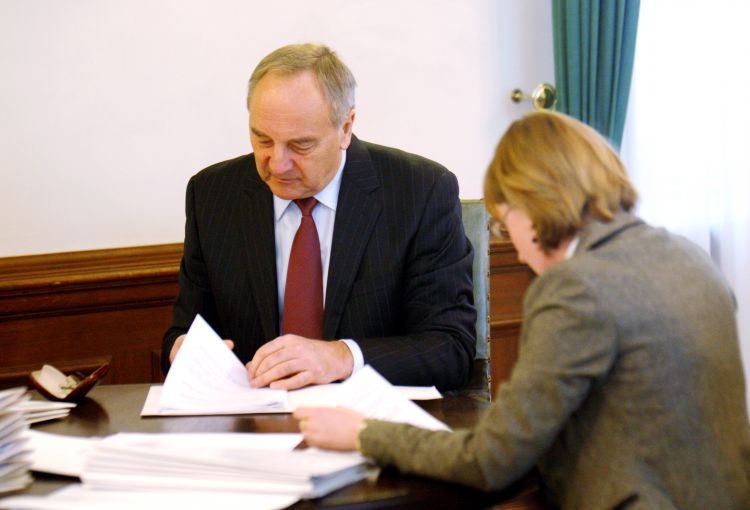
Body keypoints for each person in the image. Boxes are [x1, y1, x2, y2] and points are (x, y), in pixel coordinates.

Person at [294, 110, 750, 509]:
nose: (507, 236)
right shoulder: (689, 257)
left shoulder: (577, 288)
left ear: (528, 207)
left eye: (502, 220)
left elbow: (492, 459)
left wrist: (364, 433)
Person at [161, 43, 476, 392]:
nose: (277, 163)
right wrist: (183, 350)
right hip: (255, 415)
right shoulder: (212, 195)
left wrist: (342, 357)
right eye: (262, 140)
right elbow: (184, 332)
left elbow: (450, 347)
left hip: (371, 418)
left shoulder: (419, 192)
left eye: (301, 145)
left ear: (346, 128)